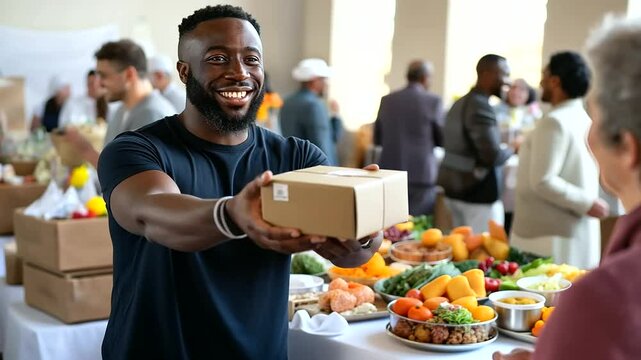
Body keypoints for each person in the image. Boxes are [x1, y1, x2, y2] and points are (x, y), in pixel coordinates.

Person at [97, 5, 381, 359]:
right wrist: (232, 214)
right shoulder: (135, 150)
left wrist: (365, 221)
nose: (239, 73)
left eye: (252, 59)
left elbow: (357, 253)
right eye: (218, 59)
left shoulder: (297, 159)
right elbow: (151, 212)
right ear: (185, 72)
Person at [493, 16, 641, 360]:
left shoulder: (604, 299)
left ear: (629, 148)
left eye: (600, 120)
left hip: (551, 230)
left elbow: (543, 180)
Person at [511, 51, 607, 269]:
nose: (540, 82)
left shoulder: (554, 122)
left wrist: (586, 203)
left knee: (549, 298)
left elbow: (543, 180)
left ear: (555, 81)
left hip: (549, 233)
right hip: (570, 227)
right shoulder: (583, 117)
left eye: (544, 75)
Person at [63, 39, 175, 167]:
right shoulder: (121, 111)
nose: (99, 84)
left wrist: (86, 150)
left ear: (129, 74)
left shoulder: (152, 114)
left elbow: (129, 175)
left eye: (104, 76)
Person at [437, 54, 513, 232]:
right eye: (504, 74)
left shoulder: (459, 103)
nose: (508, 81)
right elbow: (492, 156)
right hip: (477, 194)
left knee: (462, 250)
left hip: (454, 190)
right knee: (485, 253)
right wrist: (513, 148)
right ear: (486, 74)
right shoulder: (481, 106)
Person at [374, 60, 443, 215]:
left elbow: (377, 138)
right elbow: (442, 139)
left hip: (389, 172)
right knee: (418, 227)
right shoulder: (433, 101)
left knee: (391, 225)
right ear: (425, 78)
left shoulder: (387, 100)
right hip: (422, 174)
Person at [279, 58, 343, 165]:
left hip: (293, 167)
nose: (326, 84)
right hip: (316, 171)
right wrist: (336, 115)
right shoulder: (315, 105)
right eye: (324, 79)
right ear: (314, 80)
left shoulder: (286, 102)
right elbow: (323, 145)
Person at [493, 78, 542, 143]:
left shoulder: (534, 113)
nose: (516, 92)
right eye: (513, 88)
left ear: (528, 94)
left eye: (522, 89)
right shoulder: (496, 109)